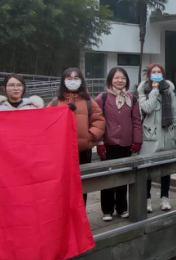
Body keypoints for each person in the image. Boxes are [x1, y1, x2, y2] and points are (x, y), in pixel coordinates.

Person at [48, 68, 105, 204]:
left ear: (81, 81)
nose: (72, 81)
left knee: (82, 186)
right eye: (69, 78)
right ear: (63, 81)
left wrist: (90, 137)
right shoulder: (55, 102)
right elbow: (47, 123)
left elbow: (99, 121)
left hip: (83, 151)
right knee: (63, 186)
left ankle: (81, 212)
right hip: (61, 152)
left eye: (76, 78)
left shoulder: (89, 101)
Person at [95, 68, 142, 221]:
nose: (120, 80)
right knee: (107, 177)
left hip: (126, 145)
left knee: (124, 176)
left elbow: (136, 121)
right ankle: (107, 210)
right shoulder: (102, 98)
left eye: (123, 78)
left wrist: (137, 141)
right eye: (116, 78)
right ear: (110, 80)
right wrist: (100, 143)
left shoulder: (132, 99)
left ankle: (122, 208)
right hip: (109, 144)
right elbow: (97, 121)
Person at [137, 64, 176, 213]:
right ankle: (147, 199)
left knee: (166, 169)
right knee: (147, 169)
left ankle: (165, 198)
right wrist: (155, 90)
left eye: (159, 72)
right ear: (149, 75)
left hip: (167, 134)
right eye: (154, 72)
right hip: (149, 135)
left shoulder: (169, 90)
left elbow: (175, 114)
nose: (156, 74)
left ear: (163, 74)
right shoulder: (143, 90)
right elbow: (147, 108)